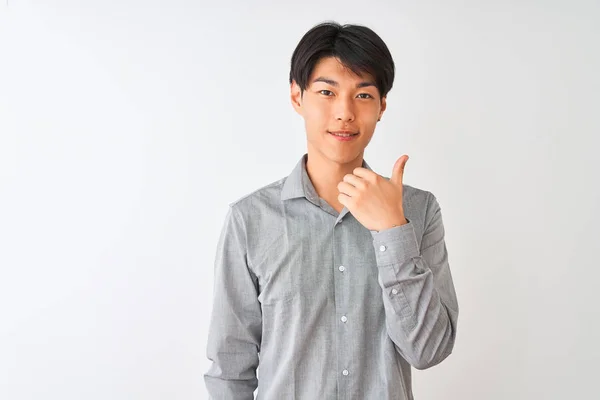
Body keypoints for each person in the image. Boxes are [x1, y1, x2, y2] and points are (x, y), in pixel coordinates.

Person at [204, 21, 459, 400]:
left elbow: (429, 351)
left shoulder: (418, 211)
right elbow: (230, 370)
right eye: (327, 91)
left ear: (382, 106)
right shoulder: (250, 219)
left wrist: (394, 231)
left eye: (363, 95)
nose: (344, 112)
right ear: (297, 97)